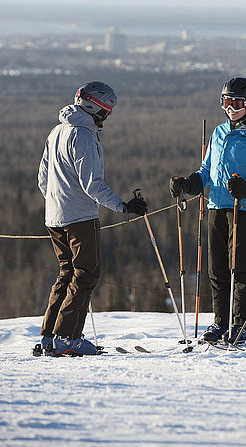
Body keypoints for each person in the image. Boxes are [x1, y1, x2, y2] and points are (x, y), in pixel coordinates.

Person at [38, 81, 147, 355]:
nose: (107, 116)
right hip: (79, 218)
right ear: (94, 107)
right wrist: (123, 206)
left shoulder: (57, 132)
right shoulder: (84, 137)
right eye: (107, 110)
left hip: (54, 216)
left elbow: (43, 179)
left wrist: (57, 202)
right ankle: (68, 339)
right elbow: (92, 186)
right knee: (85, 275)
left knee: (66, 273)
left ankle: (49, 337)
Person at [169, 77, 246, 344]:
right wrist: (189, 183)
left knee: (238, 265)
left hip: (244, 207)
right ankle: (222, 321)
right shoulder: (218, 132)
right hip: (216, 205)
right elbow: (207, 170)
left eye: (236, 103)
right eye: (226, 102)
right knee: (216, 268)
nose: (230, 107)